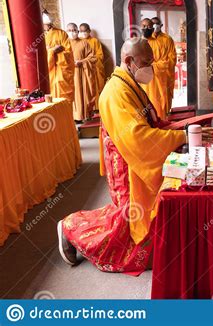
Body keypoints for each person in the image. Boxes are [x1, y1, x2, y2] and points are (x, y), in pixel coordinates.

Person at [57, 38, 186, 273]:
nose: (151, 68)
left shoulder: (129, 83)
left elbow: (150, 122)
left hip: (132, 156)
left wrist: (176, 128)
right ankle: (71, 228)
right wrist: (181, 138)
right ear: (129, 61)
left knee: (130, 218)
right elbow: (138, 138)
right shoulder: (116, 92)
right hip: (127, 162)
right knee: (126, 224)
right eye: (146, 62)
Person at [141, 17, 177, 119]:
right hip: (149, 78)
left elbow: (172, 59)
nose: (154, 26)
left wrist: (156, 66)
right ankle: (152, 121)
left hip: (163, 76)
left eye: (157, 24)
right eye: (152, 25)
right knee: (149, 99)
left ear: (161, 26)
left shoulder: (167, 39)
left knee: (162, 101)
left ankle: (163, 120)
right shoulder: (146, 39)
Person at [67, 23, 97, 121]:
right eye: (70, 30)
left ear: (77, 31)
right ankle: (74, 116)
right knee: (73, 95)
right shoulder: (65, 44)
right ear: (67, 31)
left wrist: (82, 62)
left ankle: (85, 114)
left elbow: (92, 57)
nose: (72, 32)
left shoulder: (84, 43)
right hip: (70, 74)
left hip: (83, 72)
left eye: (74, 30)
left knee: (85, 93)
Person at [43, 11, 75, 102]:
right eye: (46, 25)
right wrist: (52, 51)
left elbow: (68, 52)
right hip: (49, 72)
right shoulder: (39, 35)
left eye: (50, 24)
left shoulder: (62, 33)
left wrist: (57, 51)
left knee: (65, 98)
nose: (49, 26)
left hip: (62, 70)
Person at [79, 23, 105, 107]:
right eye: (81, 31)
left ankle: (97, 106)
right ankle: (87, 107)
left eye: (85, 31)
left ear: (89, 31)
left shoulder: (95, 41)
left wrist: (89, 61)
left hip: (94, 68)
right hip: (83, 69)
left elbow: (100, 55)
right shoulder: (78, 42)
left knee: (96, 87)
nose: (83, 33)